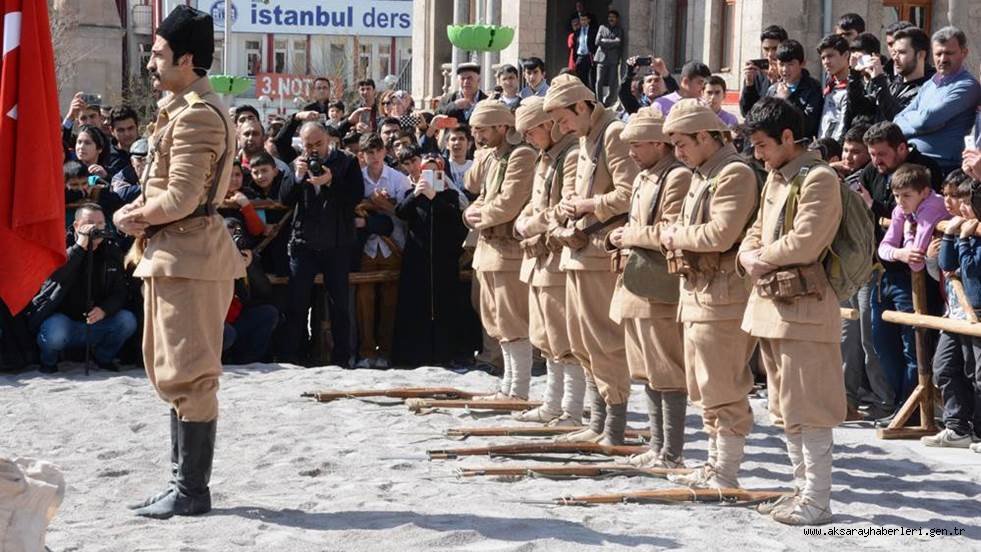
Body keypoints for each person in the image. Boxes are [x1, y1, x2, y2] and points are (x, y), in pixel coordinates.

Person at [112, 5, 245, 519]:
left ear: (187, 59)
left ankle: (191, 490)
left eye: (159, 54)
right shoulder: (185, 109)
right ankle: (180, 482)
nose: (151, 63)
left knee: (191, 375)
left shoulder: (196, 117)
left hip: (188, 253)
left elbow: (182, 198)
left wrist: (131, 215)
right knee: (174, 373)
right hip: (175, 254)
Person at [738, 97, 846, 525]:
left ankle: (818, 499)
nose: (758, 154)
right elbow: (755, 230)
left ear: (787, 137)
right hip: (773, 306)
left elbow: (806, 241)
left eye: (763, 145)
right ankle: (801, 490)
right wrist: (750, 253)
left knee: (811, 407)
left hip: (807, 310)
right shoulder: (777, 178)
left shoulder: (817, 178)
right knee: (785, 408)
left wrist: (759, 255)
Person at [660, 99, 759, 489]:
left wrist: (673, 235)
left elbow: (720, 234)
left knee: (724, 386)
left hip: (724, 296)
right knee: (703, 386)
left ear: (705, 136)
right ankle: (714, 463)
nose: (679, 153)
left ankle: (727, 470)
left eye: (683, 144)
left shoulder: (733, 173)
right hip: (698, 292)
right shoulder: (702, 173)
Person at [544, 74, 637, 445]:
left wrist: (587, 205)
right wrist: (568, 205)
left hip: (601, 254)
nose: (560, 127)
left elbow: (628, 193)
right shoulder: (583, 138)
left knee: (605, 341)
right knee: (581, 341)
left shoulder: (612, 133)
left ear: (582, 106)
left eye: (564, 119)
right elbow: (575, 189)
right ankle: (598, 422)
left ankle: (613, 426)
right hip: (578, 250)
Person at [608, 107, 692, 468]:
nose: (631, 152)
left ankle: (671, 452)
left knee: (667, 370)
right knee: (645, 369)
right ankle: (657, 447)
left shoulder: (676, 177)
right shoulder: (645, 177)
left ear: (660, 144)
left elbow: (670, 231)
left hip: (659, 284)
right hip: (633, 281)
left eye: (637, 145)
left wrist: (630, 235)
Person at [511, 96, 585, 426]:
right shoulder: (546, 157)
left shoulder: (570, 155)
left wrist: (533, 223)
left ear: (546, 125)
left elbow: (565, 206)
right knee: (545, 336)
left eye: (530, 132)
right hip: (538, 257)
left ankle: (570, 408)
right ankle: (552, 403)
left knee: (564, 338)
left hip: (557, 256)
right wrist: (524, 219)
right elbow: (535, 201)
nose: (527, 140)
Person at [462, 100, 536, 398]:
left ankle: (518, 388)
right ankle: (508, 387)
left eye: (482, 129)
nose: (477, 135)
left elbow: (508, 202)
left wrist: (478, 215)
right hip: (487, 248)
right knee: (494, 320)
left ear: (502, 127)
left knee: (512, 320)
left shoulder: (521, 156)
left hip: (509, 251)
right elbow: (476, 187)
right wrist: (471, 212)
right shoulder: (492, 156)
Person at [279, 122, 365, 366]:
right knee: (297, 303)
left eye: (318, 143)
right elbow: (284, 199)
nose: (314, 149)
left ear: (328, 139)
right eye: (308, 145)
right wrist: (297, 176)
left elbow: (355, 196)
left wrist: (330, 182)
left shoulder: (346, 162)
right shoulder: (299, 162)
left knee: (340, 305)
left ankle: (342, 359)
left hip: (337, 243)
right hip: (304, 242)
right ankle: (293, 357)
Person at [875, 163, 949, 413]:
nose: (900, 202)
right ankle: (906, 406)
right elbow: (884, 248)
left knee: (918, 349)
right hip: (915, 279)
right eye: (896, 196)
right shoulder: (901, 210)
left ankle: (916, 411)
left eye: (906, 196)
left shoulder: (933, 207)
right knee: (887, 343)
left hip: (935, 286)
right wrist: (901, 252)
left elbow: (917, 263)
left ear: (924, 192)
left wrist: (905, 248)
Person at [28, 204, 136, 374]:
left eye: (100, 223)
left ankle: (103, 357)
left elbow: (120, 292)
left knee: (127, 320)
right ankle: (49, 361)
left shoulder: (111, 250)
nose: (96, 228)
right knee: (55, 333)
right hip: (64, 321)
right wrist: (80, 247)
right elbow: (55, 276)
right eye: (90, 223)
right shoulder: (60, 245)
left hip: (97, 321)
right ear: (77, 225)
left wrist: (105, 310)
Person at [392, 156, 479, 366]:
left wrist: (435, 197)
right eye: (426, 172)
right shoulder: (412, 194)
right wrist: (416, 193)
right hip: (417, 258)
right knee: (415, 305)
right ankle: (415, 355)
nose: (430, 176)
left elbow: (456, 221)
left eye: (435, 172)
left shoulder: (449, 195)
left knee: (446, 305)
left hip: (443, 259)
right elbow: (400, 212)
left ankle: (446, 353)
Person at [924, 170, 980, 448]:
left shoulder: (973, 231)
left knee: (977, 374)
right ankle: (957, 428)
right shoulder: (959, 226)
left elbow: (970, 270)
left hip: (975, 312)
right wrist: (951, 235)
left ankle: (978, 430)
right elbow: (947, 265)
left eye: (959, 197)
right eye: (947, 195)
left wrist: (966, 240)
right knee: (943, 368)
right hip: (955, 313)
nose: (953, 202)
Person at [355, 134, 411, 369]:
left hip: (394, 245)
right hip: (367, 246)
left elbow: (406, 213)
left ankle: (386, 352)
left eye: (378, 151)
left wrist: (381, 205)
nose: (374, 156)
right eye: (369, 152)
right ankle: (367, 351)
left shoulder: (398, 179)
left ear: (384, 152)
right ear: (362, 155)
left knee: (390, 301)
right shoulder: (357, 178)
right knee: (364, 300)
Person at [895, 27, 981, 174]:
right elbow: (897, 120)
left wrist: (921, 120)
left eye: (949, 53)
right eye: (938, 54)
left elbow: (927, 120)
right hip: (912, 160)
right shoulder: (930, 84)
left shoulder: (967, 86)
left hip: (941, 167)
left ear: (964, 53)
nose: (943, 59)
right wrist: (922, 122)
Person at [221, 219, 279, 365]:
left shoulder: (245, 257)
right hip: (214, 324)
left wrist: (250, 267)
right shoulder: (206, 256)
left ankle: (249, 361)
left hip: (235, 319)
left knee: (268, 313)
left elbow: (265, 293)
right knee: (228, 334)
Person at [862, 27, 934, 122]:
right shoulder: (891, 83)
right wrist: (854, 76)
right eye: (895, 52)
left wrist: (879, 80)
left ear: (921, 55)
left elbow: (899, 118)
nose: (895, 57)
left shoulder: (928, 89)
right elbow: (863, 108)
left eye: (902, 52)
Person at [768, 40, 823, 139]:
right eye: (781, 64)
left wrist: (788, 99)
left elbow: (808, 125)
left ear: (802, 63)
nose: (785, 69)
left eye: (790, 64)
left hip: (801, 145)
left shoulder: (813, 88)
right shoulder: (773, 89)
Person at [740, 25, 788, 117]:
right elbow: (746, 112)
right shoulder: (757, 74)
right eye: (766, 49)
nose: (770, 54)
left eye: (775, 48)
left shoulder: (792, 74)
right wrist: (749, 84)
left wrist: (777, 81)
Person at [817, 34, 857, 143]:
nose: (826, 62)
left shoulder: (856, 86)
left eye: (830, 56)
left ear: (845, 55)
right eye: (823, 58)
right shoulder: (830, 84)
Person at [593, 9, 624, 107]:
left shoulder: (619, 30)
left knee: (612, 82)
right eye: (610, 17)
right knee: (599, 80)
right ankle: (599, 102)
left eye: (613, 17)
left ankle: (608, 101)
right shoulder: (602, 28)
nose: (611, 19)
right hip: (601, 58)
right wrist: (611, 42)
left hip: (613, 59)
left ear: (617, 19)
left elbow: (618, 42)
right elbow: (597, 42)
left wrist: (604, 42)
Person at [106, 106, 140, 184]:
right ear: (111, 130)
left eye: (130, 128)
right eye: (121, 130)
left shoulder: (149, 149)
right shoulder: (106, 154)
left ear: (137, 126)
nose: (127, 134)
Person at [573, 12, 598, 88]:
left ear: (588, 20)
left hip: (589, 56)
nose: (583, 22)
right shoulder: (577, 31)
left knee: (590, 78)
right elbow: (575, 45)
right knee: (579, 77)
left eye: (584, 20)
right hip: (580, 56)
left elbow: (595, 44)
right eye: (581, 20)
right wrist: (575, 57)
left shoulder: (593, 31)